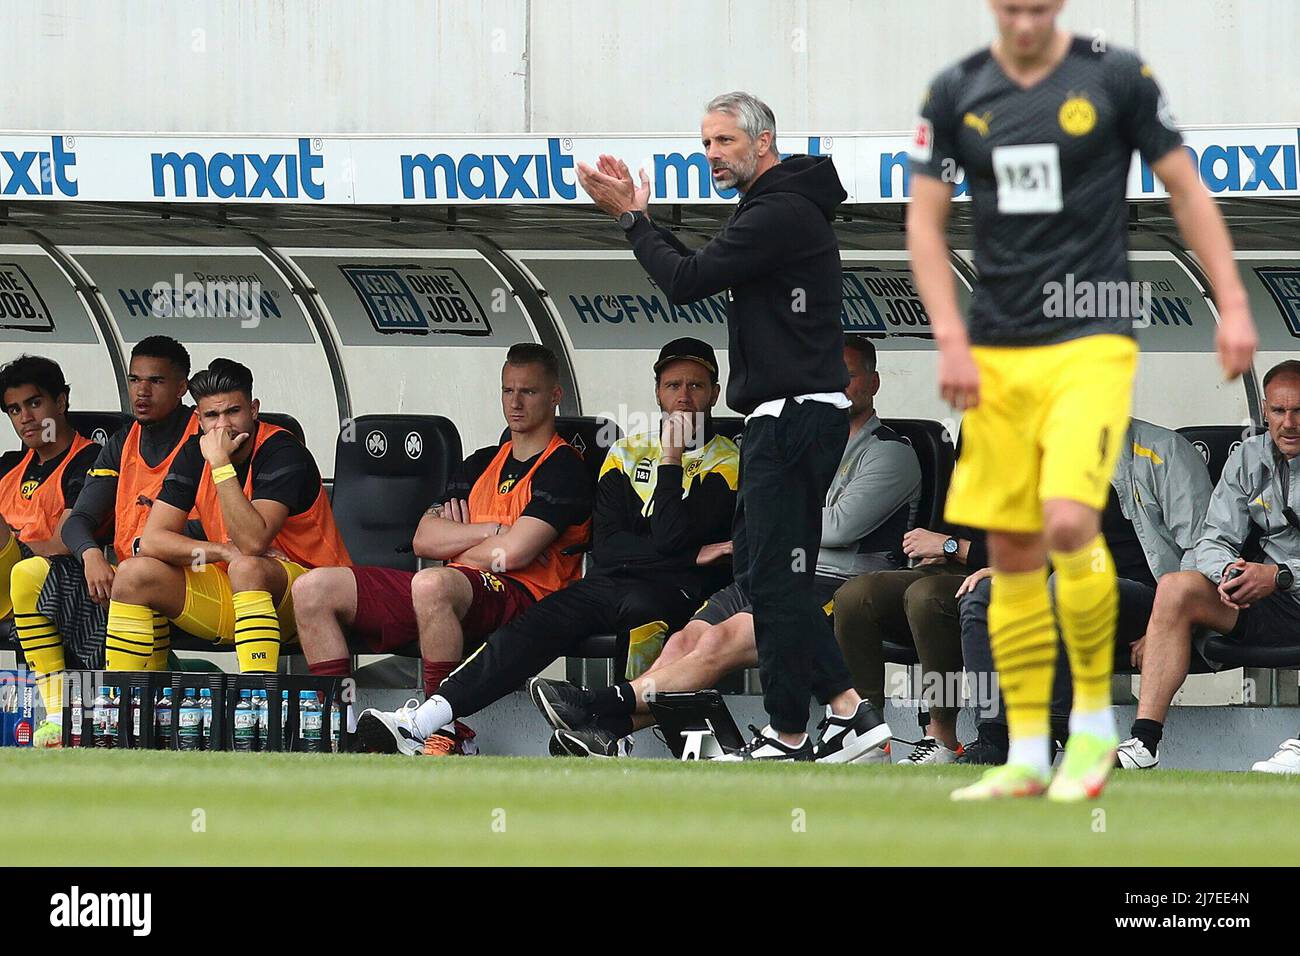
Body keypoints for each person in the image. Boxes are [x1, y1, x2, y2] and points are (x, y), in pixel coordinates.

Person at [906, 0, 1256, 800]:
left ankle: (1093, 725)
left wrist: (1232, 301)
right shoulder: (957, 89)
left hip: (1091, 333)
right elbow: (924, 225)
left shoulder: (1118, 76)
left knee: (1066, 521)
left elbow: (1185, 188)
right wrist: (952, 338)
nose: (1025, 19)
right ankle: (1025, 751)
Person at [576, 91, 877, 762]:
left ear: (762, 142)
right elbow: (702, 269)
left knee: (772, 581)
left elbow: (684, 281)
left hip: (792, 419)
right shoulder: (778, 209)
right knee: (774, 578)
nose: (710, 153)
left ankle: (791, 732)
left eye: (723, 142)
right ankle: (853, 717)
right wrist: (644, 221)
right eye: (705, 142)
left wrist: (632, 221)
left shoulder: (781, 210)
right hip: (791, 418)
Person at [531, 337, 920, 759]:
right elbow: (756, 515)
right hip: (767, 572)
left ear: (874, 382)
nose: (836, 387)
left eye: (848, 375)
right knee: (685, 642)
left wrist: (773, 517)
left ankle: (596, 704)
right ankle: (605, 730)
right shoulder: (803, 447)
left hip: (830, 585)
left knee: (719, 642)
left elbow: (840, 526)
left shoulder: (891, 453)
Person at [356, 337, 740, 756]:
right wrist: (684, 552)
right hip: (614, 579)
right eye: (673, 385)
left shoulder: (728, 458)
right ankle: (425, 720)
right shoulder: (626, 452)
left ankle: (616, 736)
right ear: (657, 392)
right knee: (535, 625)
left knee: (643, 608)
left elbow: (669, 534)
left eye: (696, 386)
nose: (683, 397)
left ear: (715, 394)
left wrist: (670, 459)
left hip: (678, 591)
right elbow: (610, 547)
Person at [293, 343, 592, 753]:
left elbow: (518, 554)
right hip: (455, 587)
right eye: (508, 391)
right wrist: (493, 530)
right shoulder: (480, 462)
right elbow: (424, 538)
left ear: (556, 395)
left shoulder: (565, 467)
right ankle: (338, 729)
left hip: (528, 598)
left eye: (529, 391)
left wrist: (468, 542)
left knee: (432, 583)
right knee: (314, 589)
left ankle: (443, 729)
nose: (516, 402)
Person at [957, 417, 1212, 766]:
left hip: (1150, 600)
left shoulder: (1165, 451)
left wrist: (1165, 624)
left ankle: (1056, 727)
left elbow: (1204, 551)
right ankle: (994, 735)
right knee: (982, 595)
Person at [104, 358, 349, 674]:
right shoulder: (195, 452)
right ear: (199, 419)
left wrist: (220, 464)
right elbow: (152, 541)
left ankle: (257, 704)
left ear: (254, 410)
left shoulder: (282, 451)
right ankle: (127, 707)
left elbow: (251, 543)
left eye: (233, 412)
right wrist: (220, 551)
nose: (223, 426)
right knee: (133, 573)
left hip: (315, 594)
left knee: (247, 567)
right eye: (212, 415)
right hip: (238, 587)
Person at [11, 336, 199, 748]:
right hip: (124, 572)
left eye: (155, 381)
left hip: (195, 573)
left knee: (135, 576)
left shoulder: (202, 437)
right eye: (134, 380)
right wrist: (92, 553)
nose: (141, 392)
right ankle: (60, 715)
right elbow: (80, 521)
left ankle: (120, 718)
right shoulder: (122, 441)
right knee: (28, 575)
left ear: (183, 385)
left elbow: (208, 528)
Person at [1117, 364, 1300, 773]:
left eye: (1299, 411)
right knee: (1177, 587)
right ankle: (1144, 744)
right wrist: (1229, 575)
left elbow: (1279, 574)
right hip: (1272, 601)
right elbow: (1213, 538)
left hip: (1284, 585)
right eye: (1278, 411)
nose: (1288, 423)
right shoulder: (1250, 457)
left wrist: (1280, 575)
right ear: (1265, 412)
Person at [0, 355, 100, 744]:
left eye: (34, 403)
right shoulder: (9, 466)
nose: (24, 417)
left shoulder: (89, 460)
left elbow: (68, 540)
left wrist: (16, 543)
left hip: (54, 579)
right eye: (14, 409)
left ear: (61, 401)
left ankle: (58, 713)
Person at [832, 520, 987, 765]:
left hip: (998, 572)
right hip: (948, 565)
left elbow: (1040, 550)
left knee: (926, 597)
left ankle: (942, 737)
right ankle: (868, 735)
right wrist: (933, 548)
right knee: (854, 596)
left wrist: (951, 546)